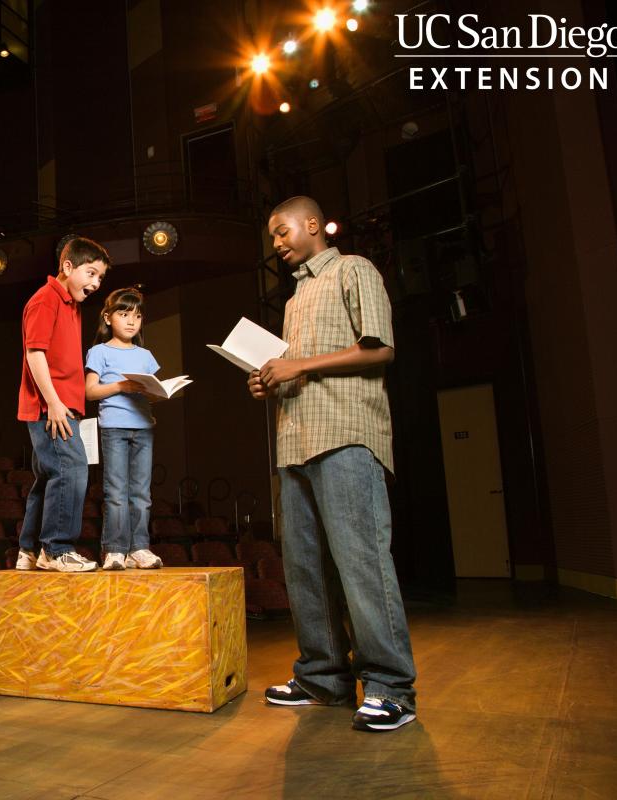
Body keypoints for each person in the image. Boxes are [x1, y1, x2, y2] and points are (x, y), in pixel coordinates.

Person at [248, 195, 418, 732]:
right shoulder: (296, 298)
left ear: (314, 225)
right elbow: (302, 369)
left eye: (281, 231)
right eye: (272, 236)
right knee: (304, 571)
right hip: (295, 441)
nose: (276, 243)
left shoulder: (353, 269)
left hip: (346, 437)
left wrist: (300, 364)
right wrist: (272, 377)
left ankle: (392, 688)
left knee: (361, 563)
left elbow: (380, 349)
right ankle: (323, 677)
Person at [15, 236, 110, 573]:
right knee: (71, 470)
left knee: (49, 478)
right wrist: (53, 403)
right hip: (51, 408)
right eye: (91, 273)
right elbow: (34, 353)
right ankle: (57, 549)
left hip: (66, 405)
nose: (96, 283)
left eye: (100, 277)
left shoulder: (72, 305)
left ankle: (29, 549)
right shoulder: (45, 300)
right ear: (67, 266)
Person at [85, 286, 164, 571]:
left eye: (138, 316)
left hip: (143, 428)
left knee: (141, 493)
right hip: (114, 428)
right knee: (116, 492)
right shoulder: (99, 352)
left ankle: (139, 547)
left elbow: (153, 392)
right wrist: (121, 385)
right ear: (108, 318)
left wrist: (158, 392)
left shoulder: (145, 355)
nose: (132, 321)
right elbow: (90, 392)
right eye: (124, 313)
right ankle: (115, 550)